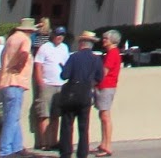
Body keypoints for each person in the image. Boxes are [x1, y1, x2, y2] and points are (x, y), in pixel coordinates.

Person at [57, 30, 106, 158]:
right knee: (84, 126)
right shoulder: (96, 59)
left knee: (67, 124)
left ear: (81, 44)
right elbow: (100, 77)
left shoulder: (74, 57)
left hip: (72, 92)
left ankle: (66, 152)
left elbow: (64, 75)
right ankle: (82, 153)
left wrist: (64, 68)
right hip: (86, 92)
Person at [0, 18, 36, 158]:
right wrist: (19, 66)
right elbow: (24, 54)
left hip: (4, 82)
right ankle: (4, 151)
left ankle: (17, 147)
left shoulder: (11, 38)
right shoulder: (25, 40)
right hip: (15, 82)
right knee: (11, 119)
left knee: (13, 117)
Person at [33, 25, 71, 149]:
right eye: (58, 35)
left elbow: (67, 65)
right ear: (53, 35)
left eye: (62, 35)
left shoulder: (64, 48)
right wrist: (40, 81)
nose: (60, 37)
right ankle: (44, 143)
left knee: (56, 116)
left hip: (60, 85)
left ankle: (53, 141)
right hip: (47, 84)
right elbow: (38, 65)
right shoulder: (45, 47)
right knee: (44, 114)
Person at [95, 30, 123, 157]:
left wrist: (94, 81)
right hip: (105, 86)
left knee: (105, 116)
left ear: (112, 40)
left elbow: (103, 72)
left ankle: (107, 146)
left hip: (106, 87)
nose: (103, 40)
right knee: (103, 115)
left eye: (106, 38)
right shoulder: (110, 53)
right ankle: (104, 143)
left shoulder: (112, 53)